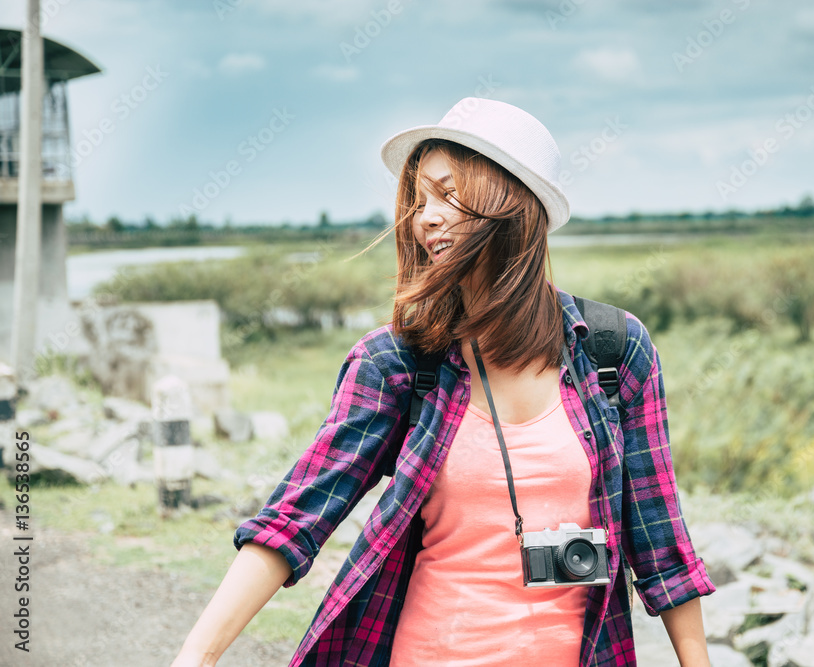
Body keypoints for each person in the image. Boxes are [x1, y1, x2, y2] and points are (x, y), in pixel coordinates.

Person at [172, 98, 715, 667]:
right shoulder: (398, 364)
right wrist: (195, 658)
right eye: (419, 200)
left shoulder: (614, 351)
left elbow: (662, 544)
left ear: (514, 202)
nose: (424, 217)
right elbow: (293, 521)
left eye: (448, 195)